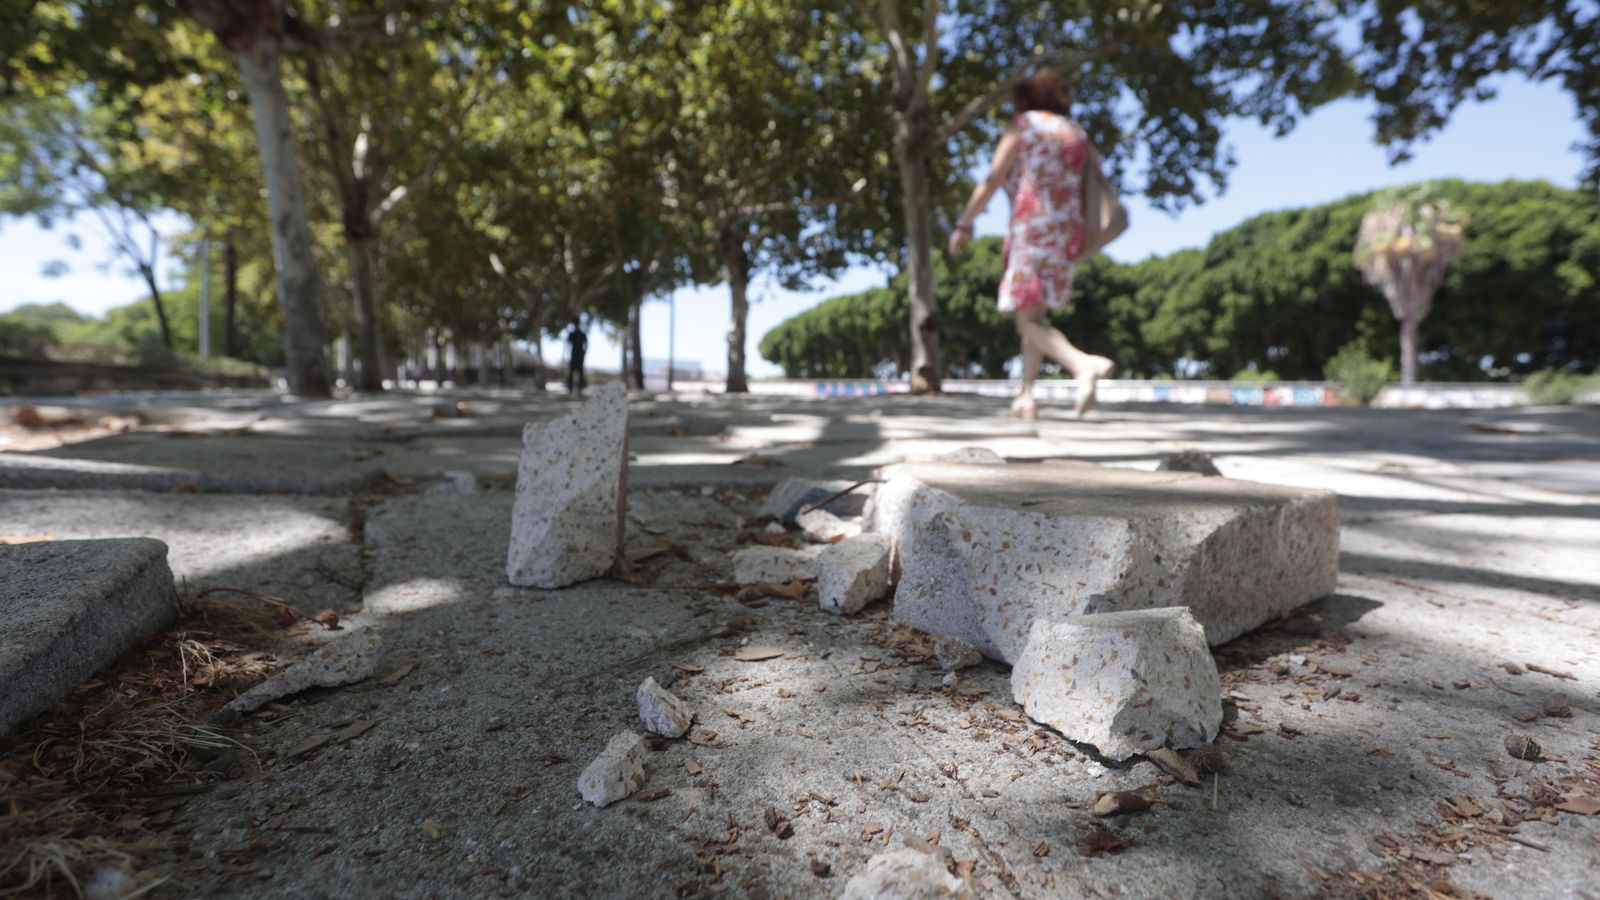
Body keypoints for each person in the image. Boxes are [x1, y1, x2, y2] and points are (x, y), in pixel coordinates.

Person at [947, 70, 1116, 419]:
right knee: (1035, 315)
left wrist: (965, 223)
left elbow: (994, 177)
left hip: (1033, 226)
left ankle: (1082, 364)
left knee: (1026, 321)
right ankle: (1026, 396)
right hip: (1069, 231)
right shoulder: (1076, 133)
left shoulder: (1024, 124)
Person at [565, 322, 588, 396]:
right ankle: (572, 388)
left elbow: (586, 344)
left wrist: (584, 352)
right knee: (574, 372)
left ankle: (578, 388)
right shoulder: (575, 334)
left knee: (578, 372)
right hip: (576, 355)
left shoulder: (579, 334)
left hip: (577, 355)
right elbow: (568, 344)